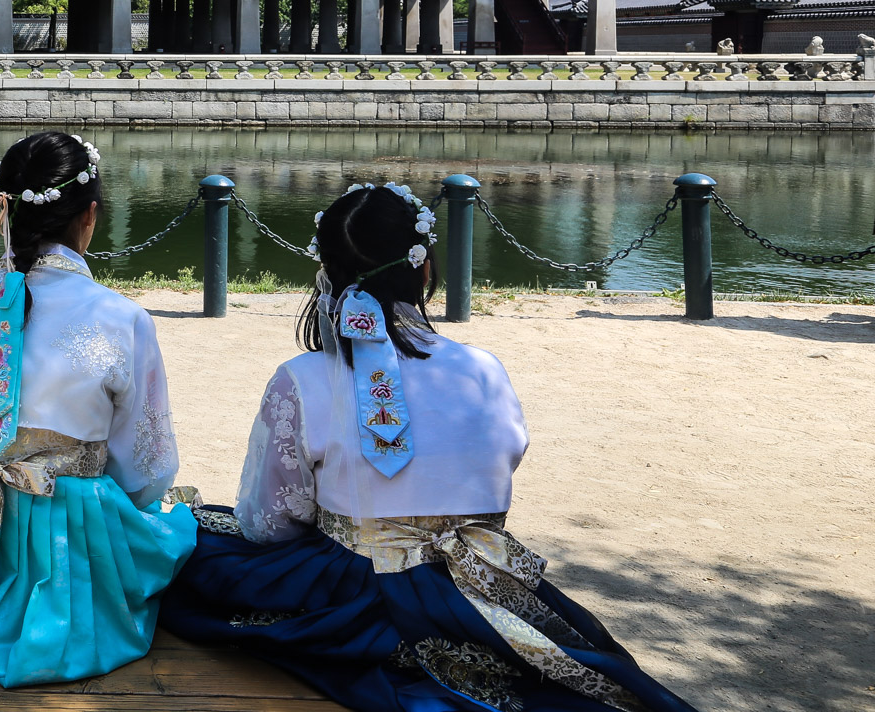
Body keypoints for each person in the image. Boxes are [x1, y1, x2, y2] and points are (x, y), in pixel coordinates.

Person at [160, 183, 699, 712]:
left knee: (199, 545)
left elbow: (270, 525)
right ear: (423, 267)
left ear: (326, 274)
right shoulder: (485, 370)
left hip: (356, 594)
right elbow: (504, 461)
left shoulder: (302, 378)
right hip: (477, 584)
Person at [0, 131, 197, 688]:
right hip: (67, 547)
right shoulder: (122, 317)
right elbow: (147, 472)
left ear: (3, 211)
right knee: (184, 521)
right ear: (90, 216)